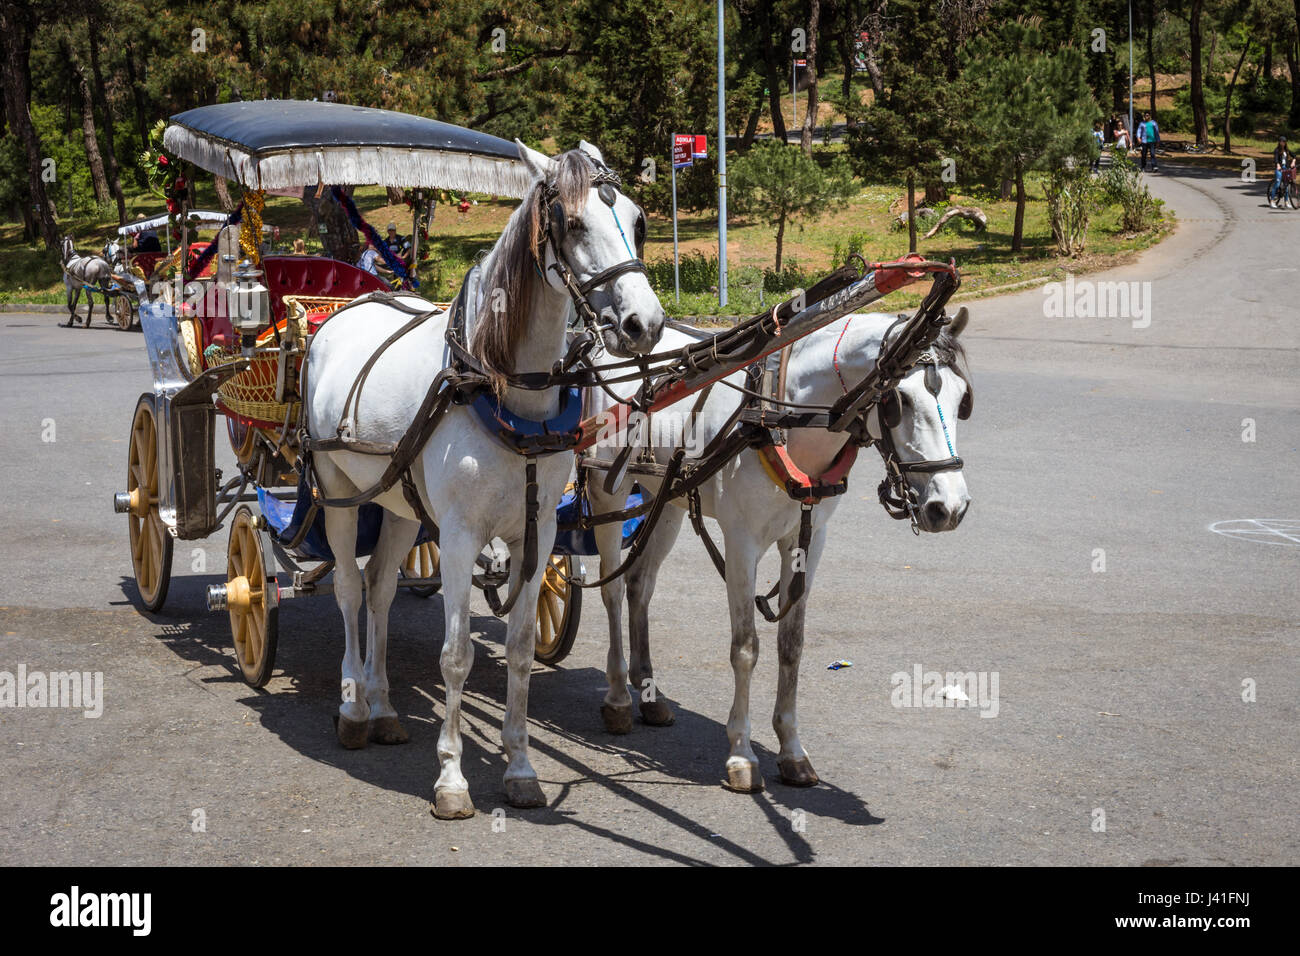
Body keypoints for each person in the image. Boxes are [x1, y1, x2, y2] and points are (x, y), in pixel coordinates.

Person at [1270, 138, 1291, 207]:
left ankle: (1286, 202)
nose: (1282, 143)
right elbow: (1276, 159)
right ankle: (1272, 201)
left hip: (1285, 169)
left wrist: (1293, 161)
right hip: (1279, 169)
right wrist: (1278, 165)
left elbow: (1294, 156)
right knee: (1277, 184)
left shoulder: (1286, 150)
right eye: (1281, 142)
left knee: (1286, 186)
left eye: (1284, 142)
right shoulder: (1277, 150)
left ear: (1285, 143)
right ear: (1279, 142)